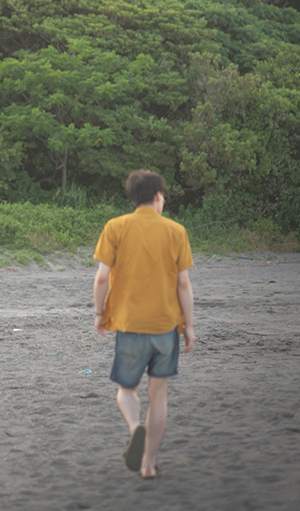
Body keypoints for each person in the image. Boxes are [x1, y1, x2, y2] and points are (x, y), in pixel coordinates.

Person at [93, 169, 195, 479]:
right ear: (159, 196)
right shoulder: (176, 231)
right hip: (165, 326)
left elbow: (100, 278)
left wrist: (99, 314)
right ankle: (148, 464)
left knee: (126, 390)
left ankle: (135, 427)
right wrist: (189, 326)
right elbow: (184, 285)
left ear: (133, 197)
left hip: (130, 324)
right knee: (158, 395)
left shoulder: (115, 227)